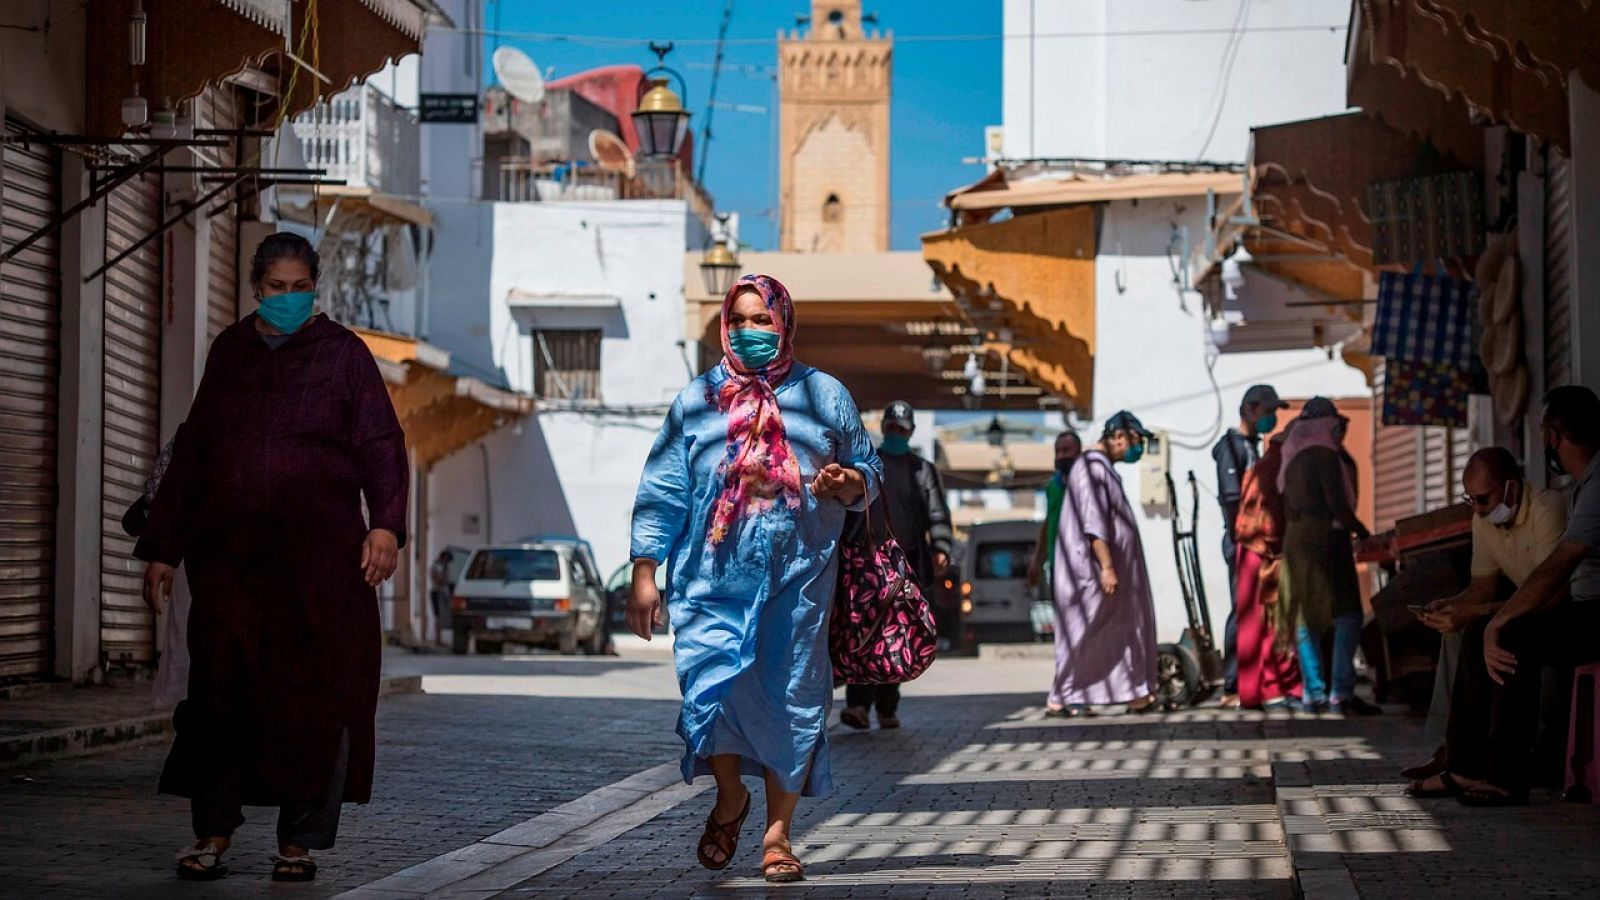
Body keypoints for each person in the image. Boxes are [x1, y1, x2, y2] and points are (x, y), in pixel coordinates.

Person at [135, 233, 409, 883]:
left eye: (300, 287)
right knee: (220, 697)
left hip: (320, 572)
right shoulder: (229, 353)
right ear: (256, 287)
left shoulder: (345, 356)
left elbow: (381, 445)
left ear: (316, 287)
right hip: (230, 565)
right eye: (276, 287)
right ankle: (213, 834)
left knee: (316, 701)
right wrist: (164, 549)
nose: (289, 298)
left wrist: (389, 527)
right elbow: (195, 452)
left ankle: (298, 843)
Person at [627, 274, 881, 883]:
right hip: (709, 583)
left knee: (790, 701)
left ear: (785, 324)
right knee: (709, 694)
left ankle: (777, 835)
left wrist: (849, 484)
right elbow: (664, 487)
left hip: (798, 585)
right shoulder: (696, 400)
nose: (750, 331)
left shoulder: (824, 396)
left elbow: (867, 468)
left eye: (762, 320)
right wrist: (644, 570)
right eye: (739, 320)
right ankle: (729, 798)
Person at [1441, 386, 1600, 806]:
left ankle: (1506, 776)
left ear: (1551, 436)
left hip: (1591, 611)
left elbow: (1559, 566)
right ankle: (1465, 766)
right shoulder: (1588, 483)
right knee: (1490, 633)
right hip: (1586, 609)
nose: (1477, 507)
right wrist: (1485, 616)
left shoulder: (1584, 489)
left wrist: (1501, 620)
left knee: (1511, 637)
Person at [1401, 448, 1566, 790]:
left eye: (1483, 499)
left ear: (1510, 488)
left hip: (1557, 609)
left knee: (1489, 631)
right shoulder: (1483, 520)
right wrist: (1452, 605)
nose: (1476, 509)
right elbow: (1482, 586)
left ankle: (1492, 765)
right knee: (1457, 627)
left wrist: (1477, 614)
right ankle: (1458, 754)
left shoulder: (1547, 509)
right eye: (1470, 500)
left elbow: (1550, 595)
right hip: (1522, 608)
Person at [840, 400, 953, 731]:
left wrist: (942, 546)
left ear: (911, 432)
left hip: (906, 569)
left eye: (902, 430)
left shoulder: (923, 470)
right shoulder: (868, 466)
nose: (896, 433)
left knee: (896, 635)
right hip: (867, 565)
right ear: (884, 428)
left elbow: (937, 512)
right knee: (863, 633)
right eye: (891, 428)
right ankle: (858, 706)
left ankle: (888, 707)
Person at [1046, 411, 1160, 716]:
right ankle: (1062, 695)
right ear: (1120, 437)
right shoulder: (1092, 470)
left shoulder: (1100, 469)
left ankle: (1136, 693)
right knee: (1083, 634)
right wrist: (1107, 566)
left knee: (1118, 634)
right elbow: (1093, 522)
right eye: (1135, 441)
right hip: (1090, 574)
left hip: (1102, 575)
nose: (1137, 449)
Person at [1278, 397, 1380, 715]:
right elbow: (1339, 506)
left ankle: (1313, 692)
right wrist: (1366, 535)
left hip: (1296, 541)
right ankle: (1341, 690)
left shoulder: (1290, 455)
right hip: (1326, 540)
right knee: (1348, 614)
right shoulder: (1323, 455)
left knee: (1306, 619)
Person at [1213, 385, 1289, 708]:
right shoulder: (1230, 447)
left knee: (1258, 611)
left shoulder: (1254, 447)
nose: (1271, 417)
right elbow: (1231, 498)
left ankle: (1254, 679)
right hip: (1241, 541)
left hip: (1255, 542)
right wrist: (1241, 536)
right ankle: (1233, 683)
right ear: (1250, 409)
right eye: (1268, 410)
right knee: (1242, 609)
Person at [1229, 423, 1300, 709]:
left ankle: (1253, 690)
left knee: (1252, 621)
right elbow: (1272, 511)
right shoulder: (1279, 464)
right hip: (1264, 549)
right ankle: (1272, 688)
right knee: (1270, 619)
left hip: (1249, 546)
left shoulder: (1265, 461)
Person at [1028, 430, 1084, 598]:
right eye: (1058, 451)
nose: (1061, 456)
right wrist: (1036, 561)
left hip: (1082, 565)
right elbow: (1049, 524)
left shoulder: (1086, 484)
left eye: (1066, 450)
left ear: (1078, 452)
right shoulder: (1053, 486)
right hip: (1057, 564)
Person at [429, 549, 456, 644]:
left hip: (444, 593)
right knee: (438, 616)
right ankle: (438, 639)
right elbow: (437, 579)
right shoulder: (436, 566)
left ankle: (440, 639)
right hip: (437, 592)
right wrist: (443, 577)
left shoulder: (445, 567)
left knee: (444, 615)